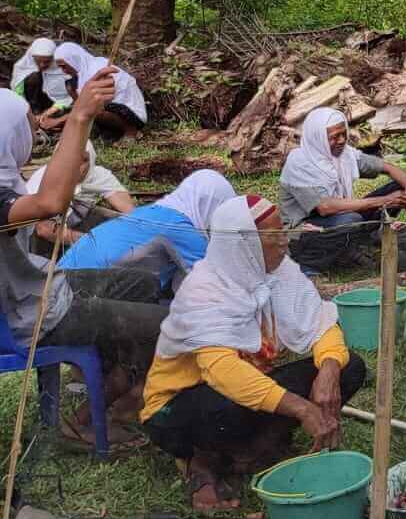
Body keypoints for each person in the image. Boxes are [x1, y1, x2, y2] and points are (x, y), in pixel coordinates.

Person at [141, 196, 367, 512]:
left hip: (240, 392)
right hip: (176, 411)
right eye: (273, 237)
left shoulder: (279, 270)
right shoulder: (203, 289)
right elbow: (223, 373)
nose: (284, 243)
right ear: (244, 245)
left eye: (282, 232)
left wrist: (328, 371)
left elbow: (321, 323)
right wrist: (302, 409)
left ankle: (253, 450)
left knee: (349, 368)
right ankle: (204, 460)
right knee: (226, 406)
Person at [0, 78, 168, 452]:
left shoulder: (5, 177)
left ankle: (114, 383)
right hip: (30, 316)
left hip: (41, 288)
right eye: (26, 125)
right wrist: (79, 117)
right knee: (166, 326)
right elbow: (48, 205)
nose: (33, 132)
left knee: (141, 284)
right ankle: (91, 417)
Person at [278, 107, 406, 274]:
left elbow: (387, 167)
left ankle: (354, 244)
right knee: (351, 219)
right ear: (317, 138)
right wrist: (384, 201)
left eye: (343, 134)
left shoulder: (345, 155)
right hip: (304, 233)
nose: (341, 140)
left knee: (398, 188)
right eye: (334, 137)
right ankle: (312, 261)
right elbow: (325, 208)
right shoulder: (300, 163)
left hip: (337, 218)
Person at [58, 168, 236, 290]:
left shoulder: (151, 212)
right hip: (83, 288)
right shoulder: (183, 230)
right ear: (211, 206)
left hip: (60, 276)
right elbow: (215, 283)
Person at [24, 139, 136, 247]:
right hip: (34, 235)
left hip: (76, 223)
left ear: (91, 159)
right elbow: (43, 229)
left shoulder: (96, 176)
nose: (77, 166)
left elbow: (130, 211)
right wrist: (90, 242)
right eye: (70, 159)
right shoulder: (45, 181)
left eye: (84, 160)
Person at [53, 42, 148, 140]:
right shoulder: (80, 75)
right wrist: (49, 113)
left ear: (73, 60)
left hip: (129, 112)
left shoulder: (97, 68)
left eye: (64, 66)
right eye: (60, 67)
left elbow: (88, 106)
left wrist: (58, 121)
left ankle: (131, 131)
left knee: (93, 110)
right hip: (108, 107)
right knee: (70, 86)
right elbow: (69, 101)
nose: (63, 70)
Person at [12, 36, 70, 120]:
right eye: (38, 61)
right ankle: (36, 112)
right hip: (33, 102)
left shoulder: (63, 68)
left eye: (47, 62)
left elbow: (68, 95)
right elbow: (18, 94)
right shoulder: (23, 67)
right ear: (32, 57)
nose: (42, 65)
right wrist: (27, 112)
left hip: (53, 103)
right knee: (33, 77)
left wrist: (50, 111)